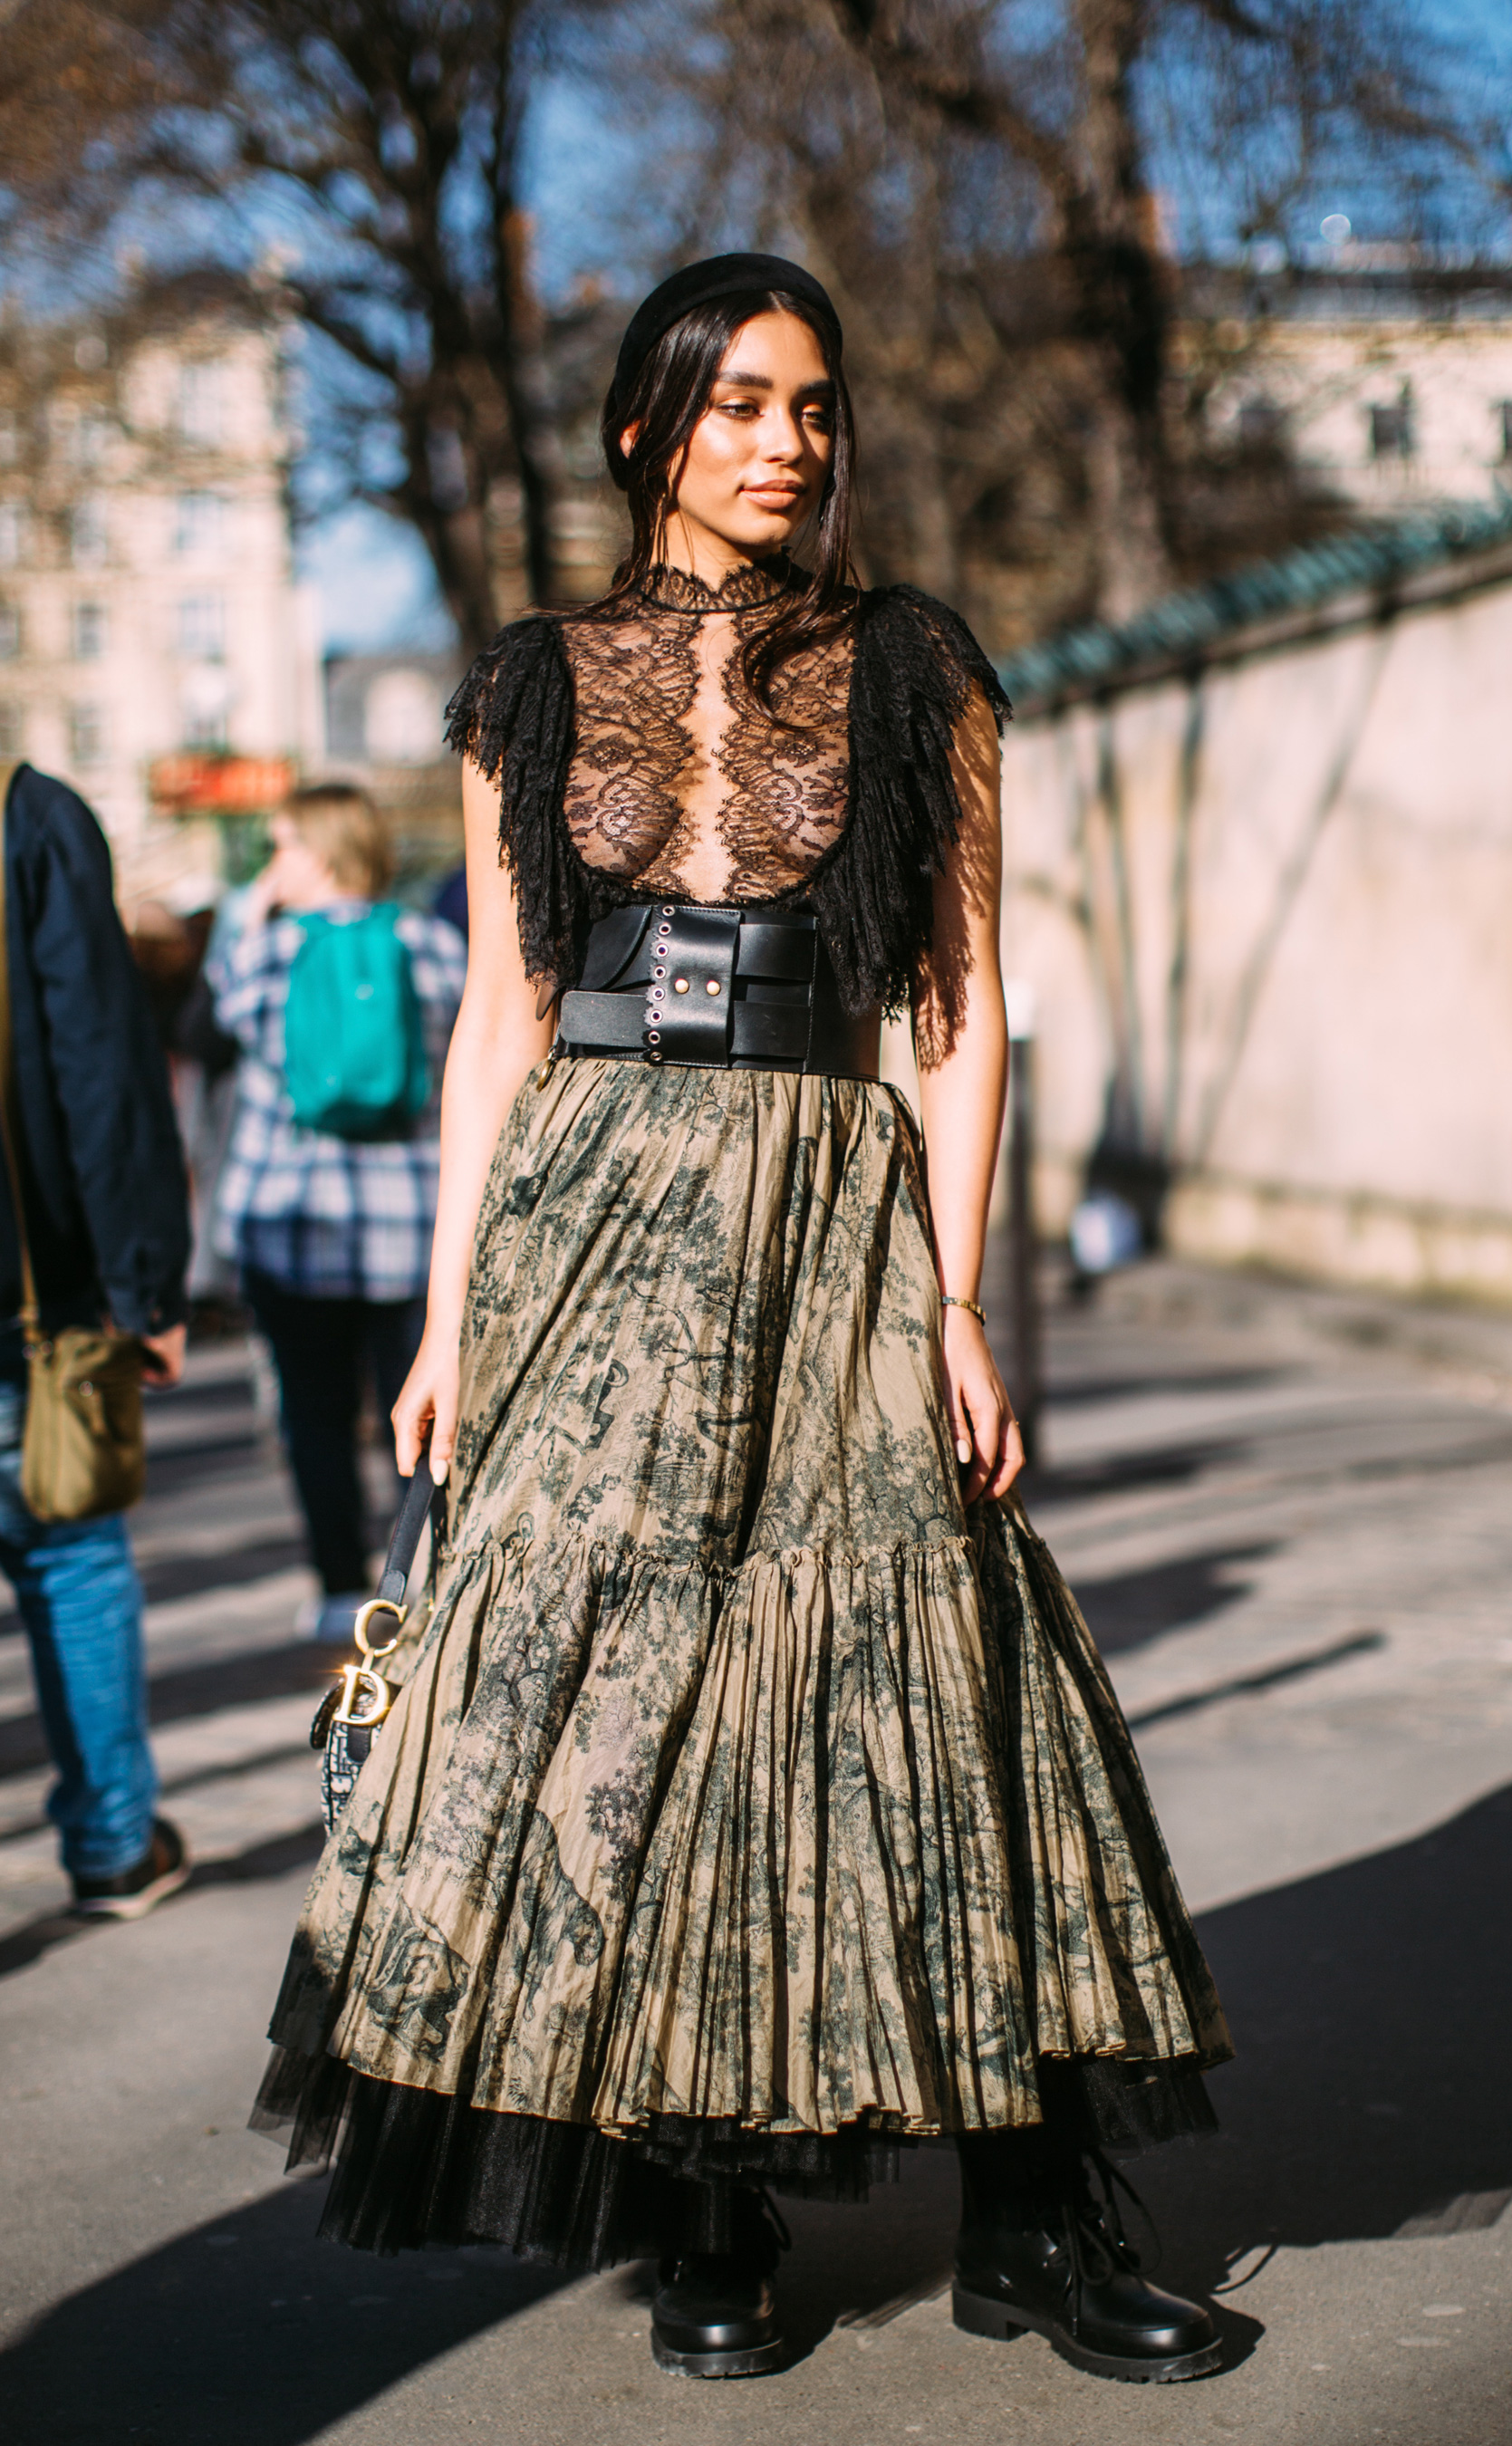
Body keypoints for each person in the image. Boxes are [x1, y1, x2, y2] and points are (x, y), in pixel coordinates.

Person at [253, 257, 1232, 2386]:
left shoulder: (913, 667)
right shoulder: (535, 683)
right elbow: (501, 1025)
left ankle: (1037, 2216)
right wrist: (448, 1315)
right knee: (637, 1717)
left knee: (936, 1682)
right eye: (745, 404)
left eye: (816, 406)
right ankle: (707, 2205)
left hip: (831, 1204)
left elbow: (959, 1007)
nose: (790, 441)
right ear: (648, 427)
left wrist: (962, 1295)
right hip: (593, 1220)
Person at [0, 762, 192, 1918]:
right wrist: (146, 1283)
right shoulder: (29, 820)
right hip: (34, 1299)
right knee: (70, 1558)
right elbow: (100, 1068)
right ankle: (115, 1843)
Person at [210, 787, 466, 1641]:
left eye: (281, 847)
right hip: (415, 1228)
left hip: (294, 1223)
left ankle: (333, 1587)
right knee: (418, 1417)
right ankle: (416, 1584)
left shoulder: (267, 952)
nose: (270, 865)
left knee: (312, 1413)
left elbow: (225, 1020)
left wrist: (249, 913)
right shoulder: (428, 942)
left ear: (317, 854)